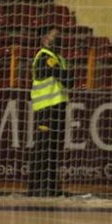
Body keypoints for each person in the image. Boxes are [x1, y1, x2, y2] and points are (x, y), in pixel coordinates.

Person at [28, 26, 71, 197]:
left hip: (58, 107)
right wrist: (63, 74)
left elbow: (69, 80)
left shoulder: (59, 58)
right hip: (46, 108)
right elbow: (62, 76)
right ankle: (36, 187)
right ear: (45, 39)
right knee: (43, 148)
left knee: (54, 148)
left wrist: (63, 75)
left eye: (59, 36)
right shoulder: (44, 56)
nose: (57, 39)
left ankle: (51, 186)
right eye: (54, 36)